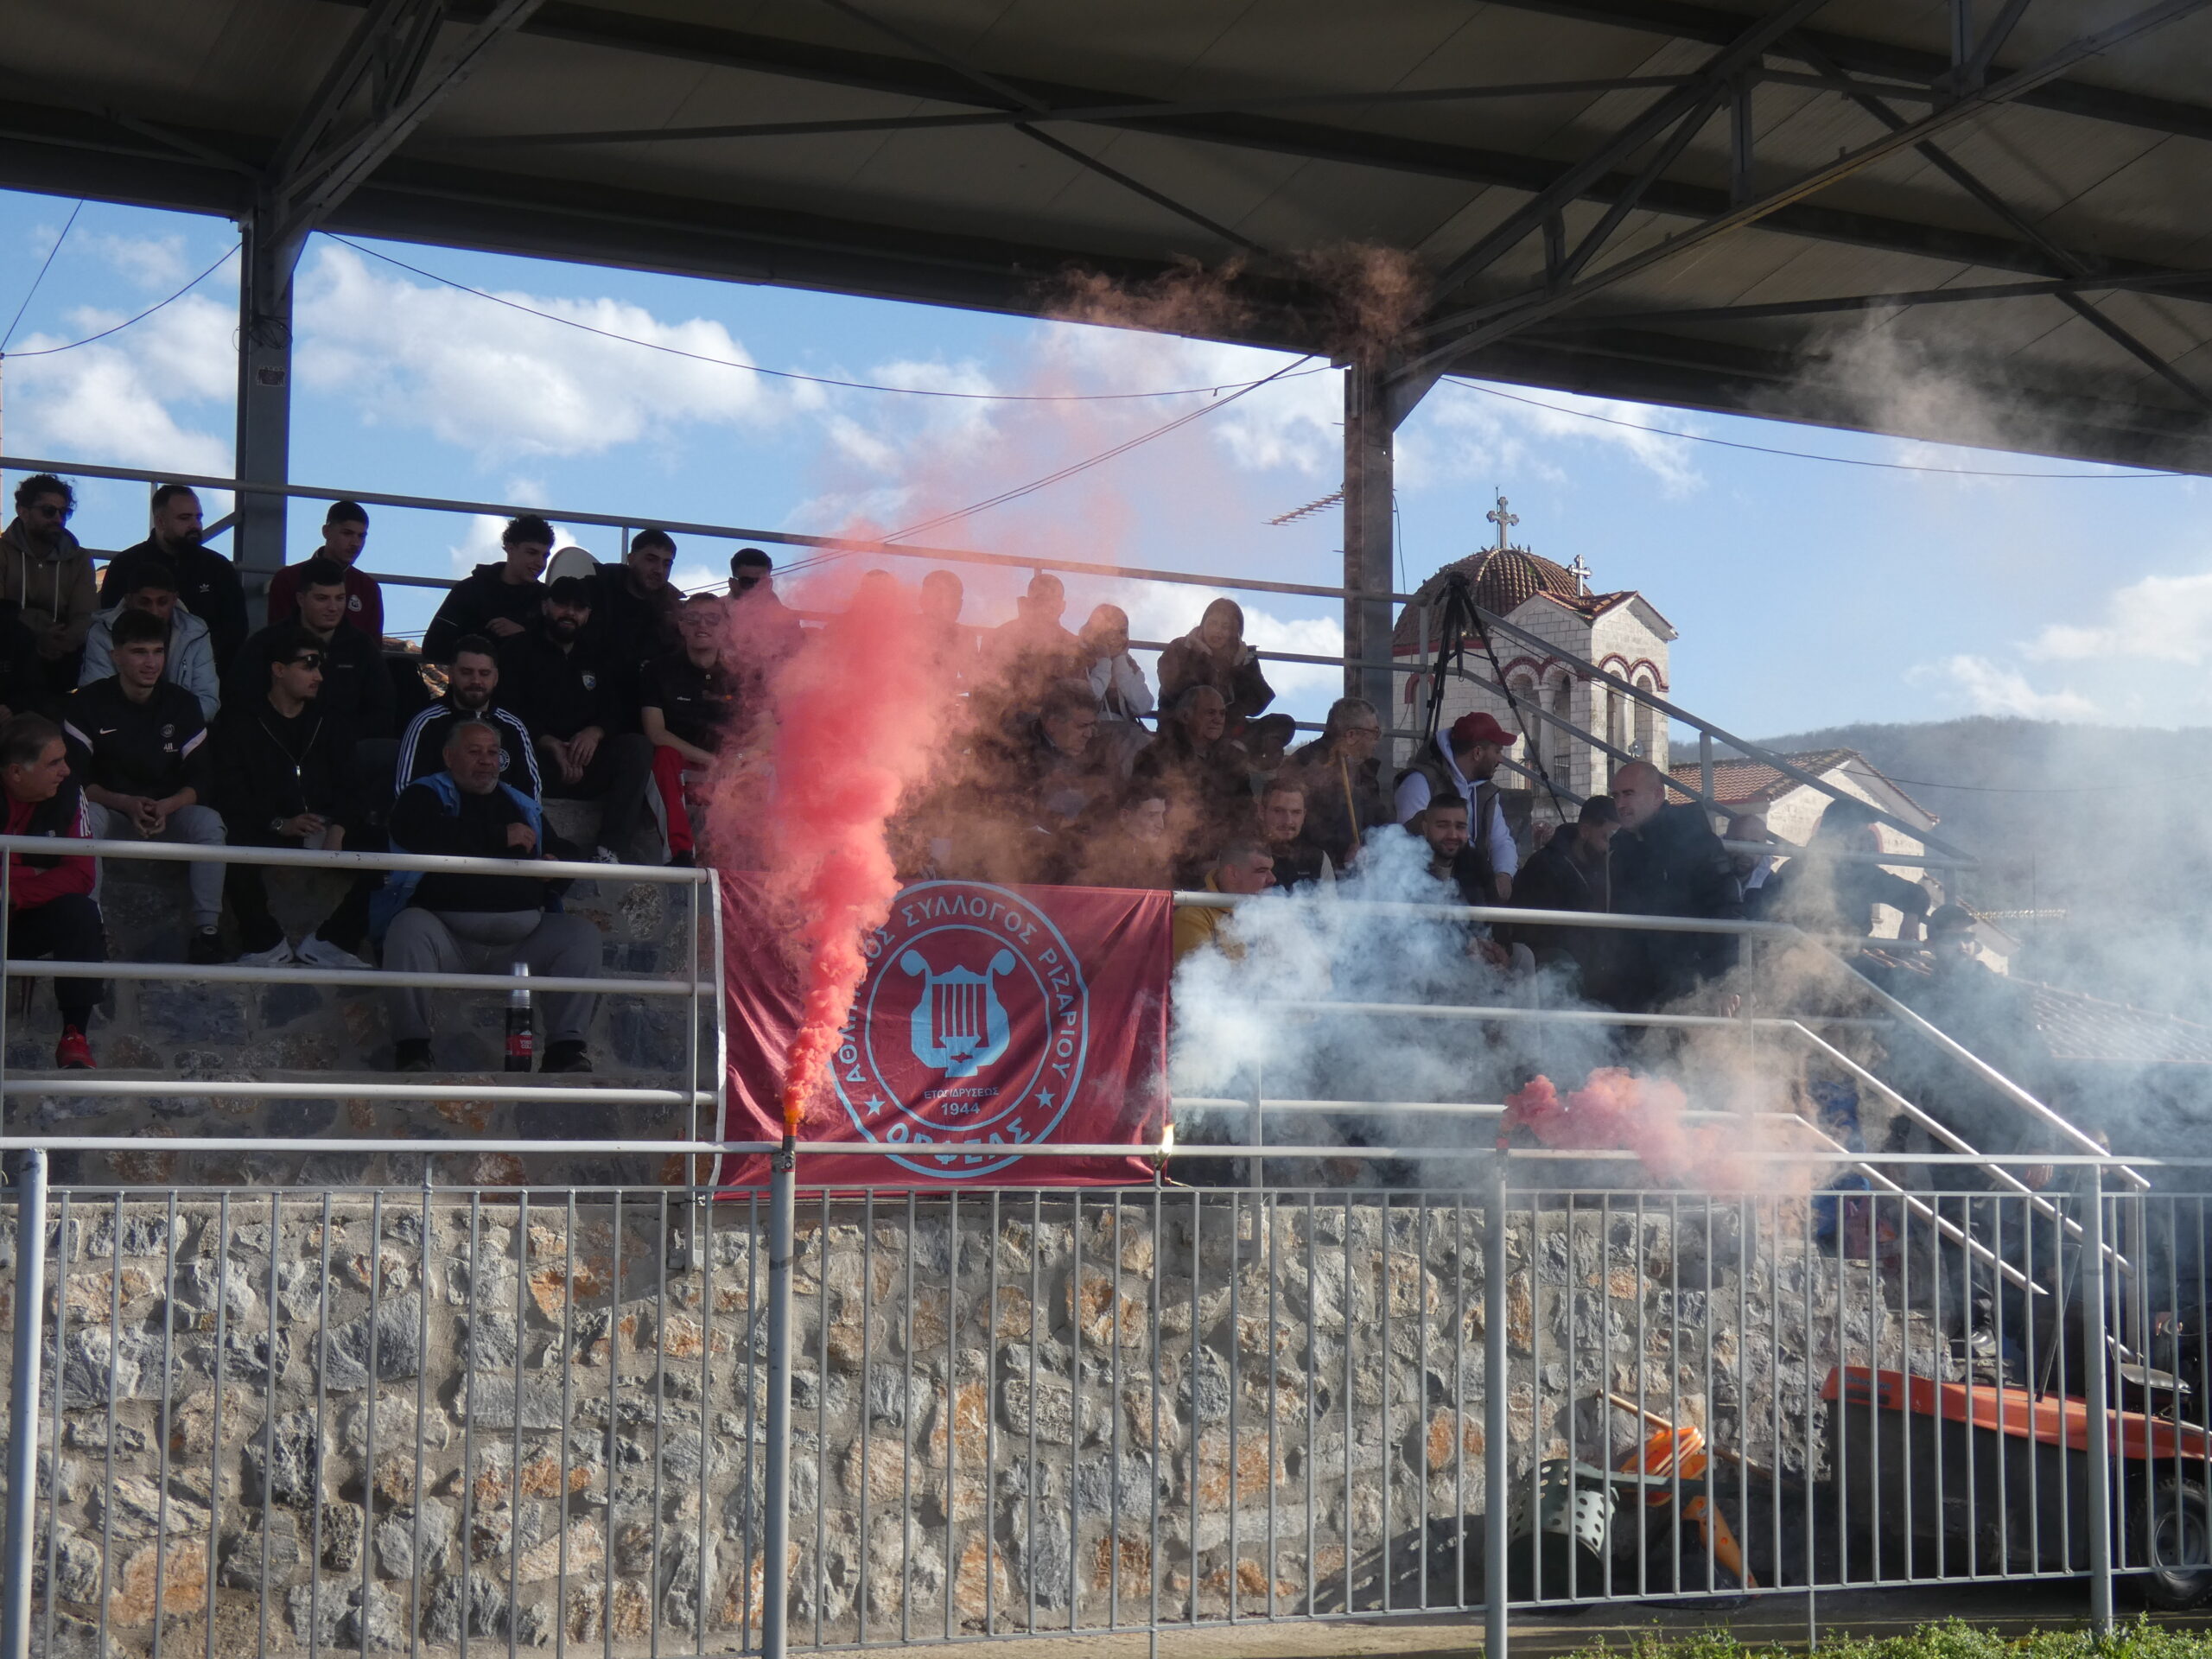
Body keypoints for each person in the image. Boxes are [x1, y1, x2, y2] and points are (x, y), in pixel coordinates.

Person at [381, 720, 601, 1074]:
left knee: (580, 935)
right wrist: (498, 836)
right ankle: (412, 1050)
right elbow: (415, 831)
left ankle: (566, 1050)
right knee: (407, 928)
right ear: (449, 757)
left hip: (522, 946)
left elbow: (565, 849)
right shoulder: (425, 794)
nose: (486, 761)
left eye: (492, 753)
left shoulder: (520, 803)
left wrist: (556, 868)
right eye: (474, 752)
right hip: (446, 939)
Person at [62, 608, 227, 963]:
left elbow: (203, 778)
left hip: (166, 814)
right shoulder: (86, 704)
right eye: (139, 652)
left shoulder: (182, 704)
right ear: (115, 656)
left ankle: (207, 932)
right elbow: (75, 779)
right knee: (87, 815)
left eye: (158, 652)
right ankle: (91, 925)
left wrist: (167, 806)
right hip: (114, 813)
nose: (151, 662)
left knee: (209, 822)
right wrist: (126, 802)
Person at [211, 624, 375, 969]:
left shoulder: (329, 722)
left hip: (325, 828)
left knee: (386, 847)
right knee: (226, 841)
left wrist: (339, 828)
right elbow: (230, 793)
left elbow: (354, 788)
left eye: (320, 666)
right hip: (268, 828)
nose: (318, 676)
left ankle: (335, 942)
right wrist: (278, 823)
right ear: (278, 669)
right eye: (308, 665)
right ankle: (265, 943)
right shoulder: (241, 724)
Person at [497, 575, 654, 863]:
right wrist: (549, 743)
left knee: (637, 747)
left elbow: (616, 709)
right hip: (536, 763)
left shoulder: (600, 654)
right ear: (546, 606)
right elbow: (506, 711)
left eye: (579, 608)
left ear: (588, 614)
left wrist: (595, 732)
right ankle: (524, 849)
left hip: (586, 762)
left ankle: (611, 850)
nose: (570, 613)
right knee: (501, 752)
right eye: (562, 605)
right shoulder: (517, 651)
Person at [0, 714, 105, 1068]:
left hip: (24, 918)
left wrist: (15, 891)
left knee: (81, 912)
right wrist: (36, 870)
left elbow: (81, 875)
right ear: (16, 773)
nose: (65, 771)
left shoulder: (69, 793)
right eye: (54, 763)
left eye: (65, 759)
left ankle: (75, 1035)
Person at [1607, 760, 1745, 1010]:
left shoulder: (1696, 841)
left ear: (1657, 795)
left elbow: (1725, 909)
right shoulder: (1617, 850)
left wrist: (1725, 980)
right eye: (1616, 796)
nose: (1620, 804)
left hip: (1692, 984)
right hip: (1633, 990)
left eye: (1629, 794)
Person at [227, 556, 394, 738]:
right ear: (300, 599)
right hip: (276, 748)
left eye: (340, 598)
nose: (333, 607)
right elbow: (240, 701)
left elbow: (382, 711)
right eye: (322, 598)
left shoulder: (362, 647)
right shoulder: (266, 644)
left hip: (344, 751)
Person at [640, 594, 745, 866]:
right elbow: (656, 732)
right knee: (662, 756)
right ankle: (680, 855)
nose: (703, 625)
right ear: (682, 626)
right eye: (693, 618)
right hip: (686, 763)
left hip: (733, 764)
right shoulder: (659, 670)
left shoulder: (740, 673)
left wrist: (742, 758)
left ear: (725, 627)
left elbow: (767, 730)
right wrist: (712, 761)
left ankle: (768, 858)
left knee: (771, 765)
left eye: (713, 619)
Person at [105, 484, 249, 676]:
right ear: (160, 521)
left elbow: (236, 628)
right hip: (133, 676)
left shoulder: (218, 567)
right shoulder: (125, 565)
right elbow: (108, 623)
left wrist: (201, 661)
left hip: (205, 678)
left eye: (198, 517)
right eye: (185, 518)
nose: (195, 525)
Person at [1763, 796, 1932, 943]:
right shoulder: (1795, 870)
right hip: (1802, 956)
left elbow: (1916, 894)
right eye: (1860, 838)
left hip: (1853, 954)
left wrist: (1911, 916)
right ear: (1838, 835)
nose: (1866, 845)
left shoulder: (1863, 873)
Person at [395, 635, 540, 798]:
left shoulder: (513, 727)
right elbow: (406, 792)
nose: (476, 681)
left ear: (496, 678)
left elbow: (531, 796)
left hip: (500, 822)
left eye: (484, 673)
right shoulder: (426, 723)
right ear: (450, 674)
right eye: (466, 672)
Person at [1395, 710, 1517, 901]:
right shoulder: (1420, 782)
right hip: (1425, 897)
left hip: (1473, 893)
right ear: (1477, 752)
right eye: (1497, 751)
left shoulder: (1486, 791)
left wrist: (1504, 876)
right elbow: (1411, 844)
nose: (1500, 759)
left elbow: (1501, 841)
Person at [1130, 683, 1249, 880]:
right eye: (1210, 713)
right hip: (1169, 861)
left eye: (1222, 714)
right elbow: (1146, 811)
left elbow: (1245, 810)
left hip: (1224, 861)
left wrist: (1228, 858)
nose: (1218, 719)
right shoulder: (1155, 756)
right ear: (1185, 716)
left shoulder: (1232, 759)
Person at [79, 556, 219, 721]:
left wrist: (164, 729)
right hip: (118, 733)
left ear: (174, 600)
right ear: (129, 600)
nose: (154, 611)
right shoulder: (102, 632)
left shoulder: (196, 632)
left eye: (162, 602)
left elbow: (208, 701)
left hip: (178, 734)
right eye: (145, 602)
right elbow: (96, 697)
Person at [1510, 795, 1623, 995]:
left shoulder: (1608, 865)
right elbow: (1534, 930)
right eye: (1606, 838)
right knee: (1561, 965)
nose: (1609, 847)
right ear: (1585, 831)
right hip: (1555, 957)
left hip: (1594, 955)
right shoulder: (1544, 865)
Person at [0, 474, 97, 696]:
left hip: (63, 650)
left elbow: (86, 615)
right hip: (12, 647)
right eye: (48, 511)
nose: (57, 519)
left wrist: (67, 639)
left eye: (64, 512)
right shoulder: (3, 552)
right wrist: (39, 632)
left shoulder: (80, 559)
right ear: (23, 512)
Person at [422, 514, 553, 662]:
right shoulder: (469, 590)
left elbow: (558, 655)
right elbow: (433, 647)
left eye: (545, 556)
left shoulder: (547, 598)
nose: (541, 563)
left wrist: (522, 636)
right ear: (510, 549)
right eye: (532, 553)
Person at [1285, 696, 1389, 870]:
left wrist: (1373, 850)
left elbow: (1380, 822)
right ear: (1351, 735)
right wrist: (1339, 857)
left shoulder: (1364, 770)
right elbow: (1294, 829)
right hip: (1310, 872)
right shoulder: (1304, 765)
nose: (1377, 740)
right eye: (1374, 732)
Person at [269, 500, 384, 640]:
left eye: (362, 536)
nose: (356, 543)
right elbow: (277, 641)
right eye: (347, 533)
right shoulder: (288, 579)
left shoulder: (368, 588)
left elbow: (373, 650)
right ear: (326, 531)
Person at [1157, 597, 1274, 726]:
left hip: (1226, 730)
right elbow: (1172, 689)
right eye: (1213, 623)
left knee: (1282, 723)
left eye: (1225, 627)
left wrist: (1240, 667)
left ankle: (1238, 746)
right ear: (1203, 624)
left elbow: (1257, 706)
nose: (1218, 631)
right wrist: (1202, 657)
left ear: (1235, 632)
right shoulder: (1181, 647)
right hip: (1183, 727)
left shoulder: (1243, 657)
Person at [591, 529, 682, 688]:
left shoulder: (674, 612)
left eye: (667, 564)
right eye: (651, 559)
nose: (659, 570)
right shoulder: (594, 593)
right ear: (631, 559)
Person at [985, 572, 1083, 715]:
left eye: (1053, 599)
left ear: (1062, 606)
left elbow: (1079, 695)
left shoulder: (1074, 645)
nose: (1047, 605)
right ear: (1029, 601)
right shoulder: (1001, 636)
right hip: (1008, 718)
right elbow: (986, 685)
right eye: (1041, 598)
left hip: (1059, 723)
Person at [1171, 839, 1274, 965]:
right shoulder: (1191, 917)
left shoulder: (1267, 912)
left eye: (1271, 870)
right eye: (1262, 871)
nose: (1272, 879)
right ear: (1233, 874)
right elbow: (1201, 979)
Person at [726, 547, 805, 705]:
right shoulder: (714, 613)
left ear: (769, 583)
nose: (756, 589)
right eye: (748, 582)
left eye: (761, 583)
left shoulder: (787, 620)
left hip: (773, 702)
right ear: (732, 583)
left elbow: (797, 667)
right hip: (722, 696)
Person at [1079, 603, 1154, 771]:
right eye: (1111, 631)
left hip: (1126, 733)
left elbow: (1143, 705)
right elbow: (1086, 699)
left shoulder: (1128, 664)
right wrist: (1104, 662)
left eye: (1123, 632)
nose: (1118, 639)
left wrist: (1120, 663)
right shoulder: (1078, 658)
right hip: (1088, 732)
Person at [1067, 787, 1175, 889]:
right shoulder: (1093, 853)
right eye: (1152, 816)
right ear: (1124, 816)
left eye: (1162, 815)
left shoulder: (1158, 859)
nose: (1161, 825)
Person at [1257, 778, 1332, 891]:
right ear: (1262, 812)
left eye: (1296, 812)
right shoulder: (1241, 855)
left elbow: (1330, 907)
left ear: (1304, 815)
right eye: (1278, 811)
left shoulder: (1318, 859)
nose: (1288, 821)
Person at [919, 569, 979, 694]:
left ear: (960, 604)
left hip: (941, 707)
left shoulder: (964, 636)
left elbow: (973, 679)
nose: (945, 605)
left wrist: (943, 688)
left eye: (952, 599)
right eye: (938, 599)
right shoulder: (902, 629)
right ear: (922, 600)